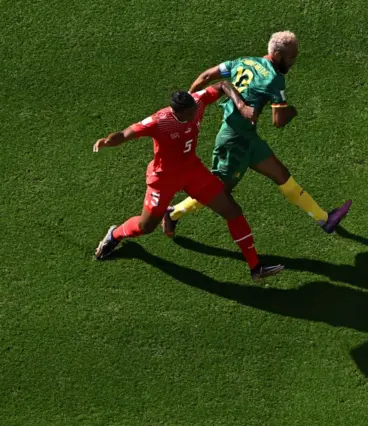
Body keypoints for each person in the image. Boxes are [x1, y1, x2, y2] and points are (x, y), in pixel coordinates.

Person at [162, 31, 351, 238]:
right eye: (291, 58)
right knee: (218, 190)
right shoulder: (274, 79)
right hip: (234, 141)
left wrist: (192, 104)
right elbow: (278, 122)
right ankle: (173, 213)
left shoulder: (243, 61)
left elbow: (207, 76)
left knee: (282, 176)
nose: (293, 62)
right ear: (278, 55)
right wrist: (292, 111)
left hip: (247, 137)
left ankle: (324, 219)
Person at [92, 81, 283, 280]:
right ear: (179, 112)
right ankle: (114, 235)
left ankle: (256, 267)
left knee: (232, 211)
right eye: (191, 111)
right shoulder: (159, 121)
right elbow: (125, 134)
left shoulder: (198, 103)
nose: (196, 113)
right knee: (145, 227)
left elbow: (222, 85)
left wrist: (241, 105)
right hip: (164, 178)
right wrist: (107, 141)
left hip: (193, 171)